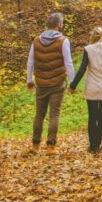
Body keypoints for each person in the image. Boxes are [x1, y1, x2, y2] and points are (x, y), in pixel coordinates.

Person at [26, 12, 75, 148]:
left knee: (39, 114)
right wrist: (73, 82)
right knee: (54, 114)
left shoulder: (36, 40)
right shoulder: (63, 41)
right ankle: (51, 141)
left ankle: (36, 141)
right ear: (59, 25)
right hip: (58, 83)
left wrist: (29, 79)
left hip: (41, 83)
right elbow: (68, 63)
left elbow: (30, 62)